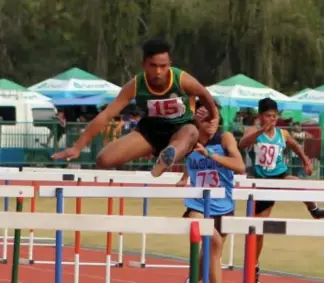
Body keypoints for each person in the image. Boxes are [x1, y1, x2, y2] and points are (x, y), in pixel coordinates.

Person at [52, 38, 218, 176]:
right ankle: (165, 156)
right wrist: (77, 147)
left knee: (190, 131)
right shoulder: (136, 85)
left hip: (181, 129)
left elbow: (204, 94)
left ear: (169, 64)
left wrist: (214, 116)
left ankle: (167, 158)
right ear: (144, 65)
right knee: (104, 160)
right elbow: (106, 115)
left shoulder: (181, 79)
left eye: (164, 66)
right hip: (151, 131)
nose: (159, 72)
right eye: (153, 66)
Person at [238, 97, 324, 283]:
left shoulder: (282, 134)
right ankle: (254, 265)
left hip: (279, 175)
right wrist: (261, 130)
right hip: (261, 182)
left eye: (275, 117)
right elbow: (242, 144)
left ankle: (314, 210)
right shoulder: (254, 131)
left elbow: (293, 144)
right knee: (257, 228)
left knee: (296, 181)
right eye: (268, 116)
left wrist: (305, 160)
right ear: (261, 116)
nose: (272, 120)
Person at [177, 101, 245, 283]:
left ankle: (191, 280)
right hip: (197, 205)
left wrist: (210, 154)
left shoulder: (225, 138)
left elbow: (240, 166)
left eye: (215, 117)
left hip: (223, 207)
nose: (213, 122)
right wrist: (184, 177)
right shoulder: (189, 140)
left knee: (209, 254)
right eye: (207, 118)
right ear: (197, 120)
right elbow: (190, 159)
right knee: (213, 243)